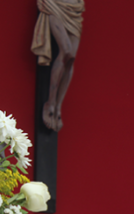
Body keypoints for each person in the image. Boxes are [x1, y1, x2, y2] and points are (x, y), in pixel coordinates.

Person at [31, 0, 85, 132]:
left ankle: (58, 106)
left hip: (74, 7)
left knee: (71, 58)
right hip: (54, 3)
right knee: (66, 50)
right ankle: (50, 103)